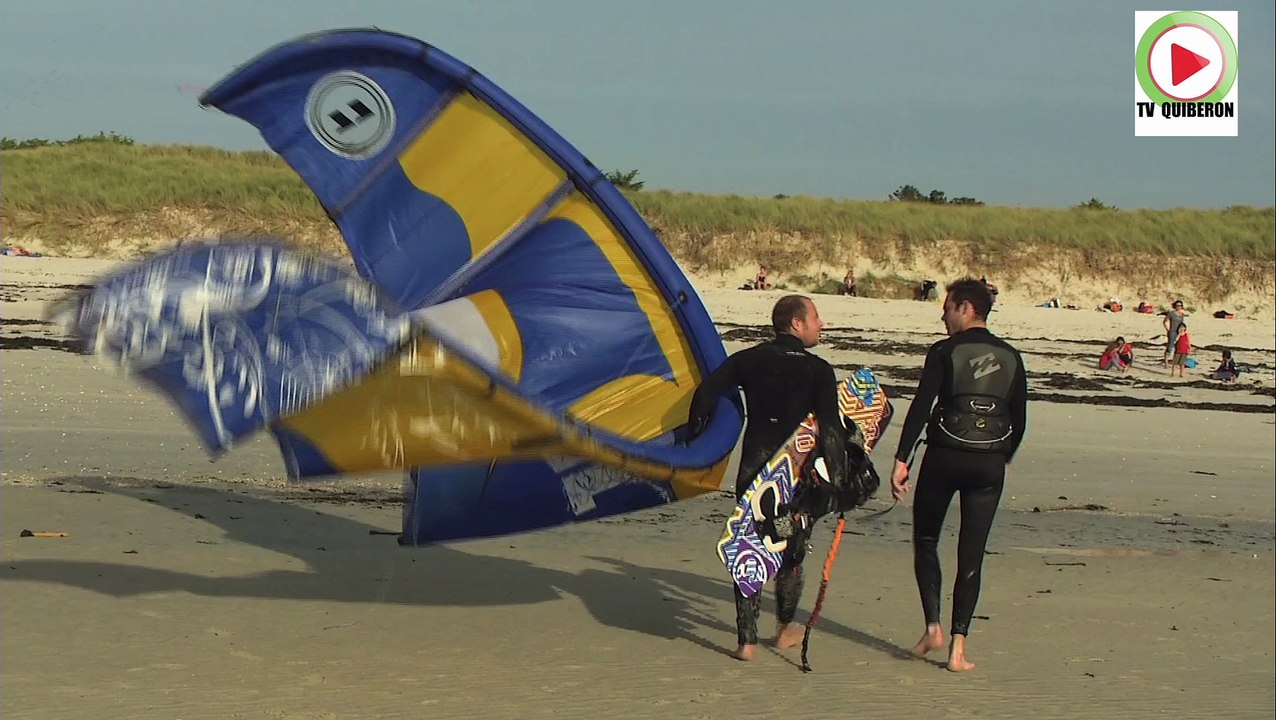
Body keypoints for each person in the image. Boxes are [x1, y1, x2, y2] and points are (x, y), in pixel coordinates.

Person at [687, 295, 847, 662]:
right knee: (790, 551)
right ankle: (785, 629)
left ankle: (746, 640)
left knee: (750, 546)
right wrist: (837, 478)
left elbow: (705, 394)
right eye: (816, 318)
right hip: (792, 481)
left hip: (753, 472)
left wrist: (698, 442)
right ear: (796, 324)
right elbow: (831, 429)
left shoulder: (747, 360)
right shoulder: (819, 370)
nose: (821, 324)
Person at [889, 278, 1028, 672]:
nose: (943, 314)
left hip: (945, 455)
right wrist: (1004, 457)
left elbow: (920, 407)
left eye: (948, 307)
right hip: (989, 462)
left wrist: (902, 459)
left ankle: (933, 627)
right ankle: (958, 648)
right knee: (972, 552)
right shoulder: (1012, 356)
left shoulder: (945, 351)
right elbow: (1019, 418)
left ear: (966, 308)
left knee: (927, 539)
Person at [1162, 300, 1189, 366]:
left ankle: (1175, 361)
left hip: (1179, 332)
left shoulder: (1182, 314)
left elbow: (1183, 324)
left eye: (1180, 306)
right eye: (1177, 305)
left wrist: (1183, 331)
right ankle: (1166, 361)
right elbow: (1165, 321)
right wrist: (1168, 329)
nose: (1178, 307)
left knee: (1178, 347)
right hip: (1172, 331)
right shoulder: (1171, 313)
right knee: (1170, 346)